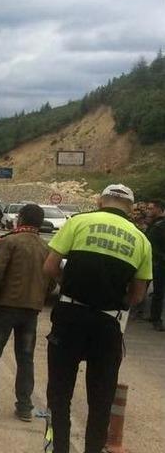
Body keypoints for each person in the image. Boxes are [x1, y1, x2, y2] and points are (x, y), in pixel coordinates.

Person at [42, 184, 153, 453]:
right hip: (107, 324)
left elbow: (49, 266)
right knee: (101, 400)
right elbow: (138, 295)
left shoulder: (79, 222)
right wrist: (119, 301)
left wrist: (66, 283)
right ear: (131, 208)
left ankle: (57, 448)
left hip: (70, 316)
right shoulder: (141, 240)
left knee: (59, 395)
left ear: (100, 201)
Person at [0, 204, 52, 422]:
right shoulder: (45, 248)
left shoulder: (9, 242)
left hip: (5, 308)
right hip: (31, 312)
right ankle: (25, 408)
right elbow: (52, 280)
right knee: (26, 359)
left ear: (21, 218)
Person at [145, 199, 165, 331]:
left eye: (151, 208)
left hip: (159, 262)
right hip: (153, 260)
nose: (148, 211)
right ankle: (154, 316)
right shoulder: (155, 223)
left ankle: (156, 319)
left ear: (159, 209)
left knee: (159, 291)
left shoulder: (160, 225)